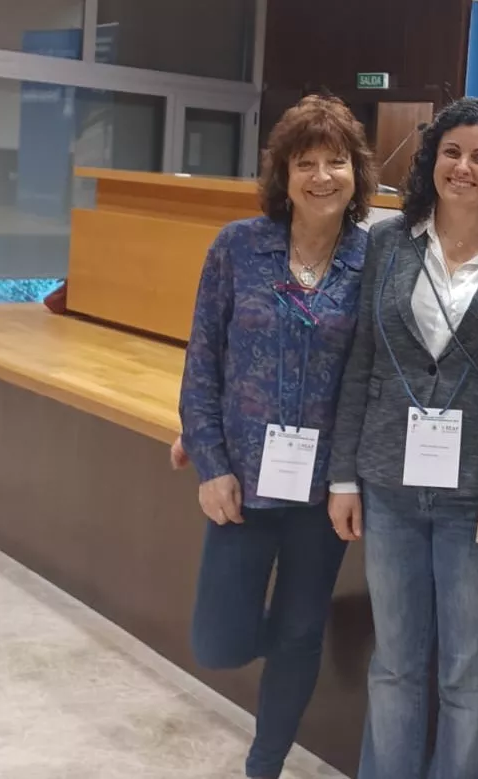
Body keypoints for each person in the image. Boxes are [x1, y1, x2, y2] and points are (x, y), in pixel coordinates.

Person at [325, 97, 478, 779]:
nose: (464, 167)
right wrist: (342, 475)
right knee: (394, 663)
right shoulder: (388, 242)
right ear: (432, 160)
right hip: (388, 486)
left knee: (466, 672)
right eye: (452, 152)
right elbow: (361, 358)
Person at [177, 94, 377, 779]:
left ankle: (264, 761)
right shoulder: (238, 247)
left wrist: (353, 477)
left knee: (298, 633)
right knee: (218, 639)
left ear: (357, 173)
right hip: (242, 479)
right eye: (306, 163)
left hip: (324, 492)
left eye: (337, 161)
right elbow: (202, 358)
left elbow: (371, 374)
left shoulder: (370, 259)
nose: (323, 176)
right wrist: (208, 457)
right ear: (283, 176)